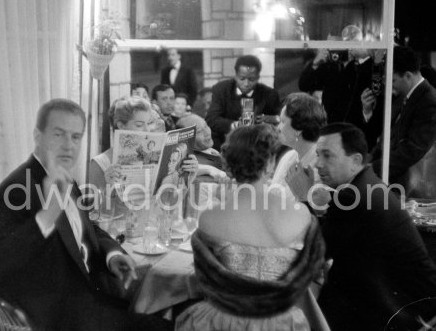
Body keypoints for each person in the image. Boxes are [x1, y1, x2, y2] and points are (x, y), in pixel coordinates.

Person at [0, 99, 173, 331]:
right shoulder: (15, 190)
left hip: (91, 300)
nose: (68, 145)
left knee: (172, 310)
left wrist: (113, 254)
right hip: (58, 317)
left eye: (75, 137)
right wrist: (47, 216)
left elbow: (88, 228)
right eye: (58, 134)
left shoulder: (65, 177)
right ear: (38, 136)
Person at [176, 125, 326, 331]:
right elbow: (313, 274)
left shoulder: (210, 217)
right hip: (280, 323)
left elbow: (204, 281)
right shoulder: (301, 214)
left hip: (220, 322)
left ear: (229, 165)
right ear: (270, 164)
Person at [314, 123, 436, 331]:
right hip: (412, 300)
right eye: (317, 155)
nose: (317, 164)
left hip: (402, 310)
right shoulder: (368, 184)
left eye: (327, 156)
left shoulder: (351, 196)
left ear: (356, 161)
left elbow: (318, 252)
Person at [368, 46, 436, 190]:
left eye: (393, 81)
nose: (390, 87)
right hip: (391, 179)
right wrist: (369, 160)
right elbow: (389, 134)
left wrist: (372, 169)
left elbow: (413, 150)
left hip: (413, 189)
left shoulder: (430, 101)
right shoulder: (404, 95)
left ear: (408, 76)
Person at [206, 55, 280, 150]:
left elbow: (280, 120)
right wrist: (235, 125)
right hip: (224, 145)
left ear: (258, 77)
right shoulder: (221, 89)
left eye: (251, 79)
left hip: (258, 148)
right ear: (236, 75)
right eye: (242, 78)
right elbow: (211, 119)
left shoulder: (270, 94)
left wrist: (272, 120)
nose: (246, 83)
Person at [273, 93, 328, 212]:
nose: (278, 127)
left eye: (282, 121)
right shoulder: (289, 157)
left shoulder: (320, 168)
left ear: (298, 129)